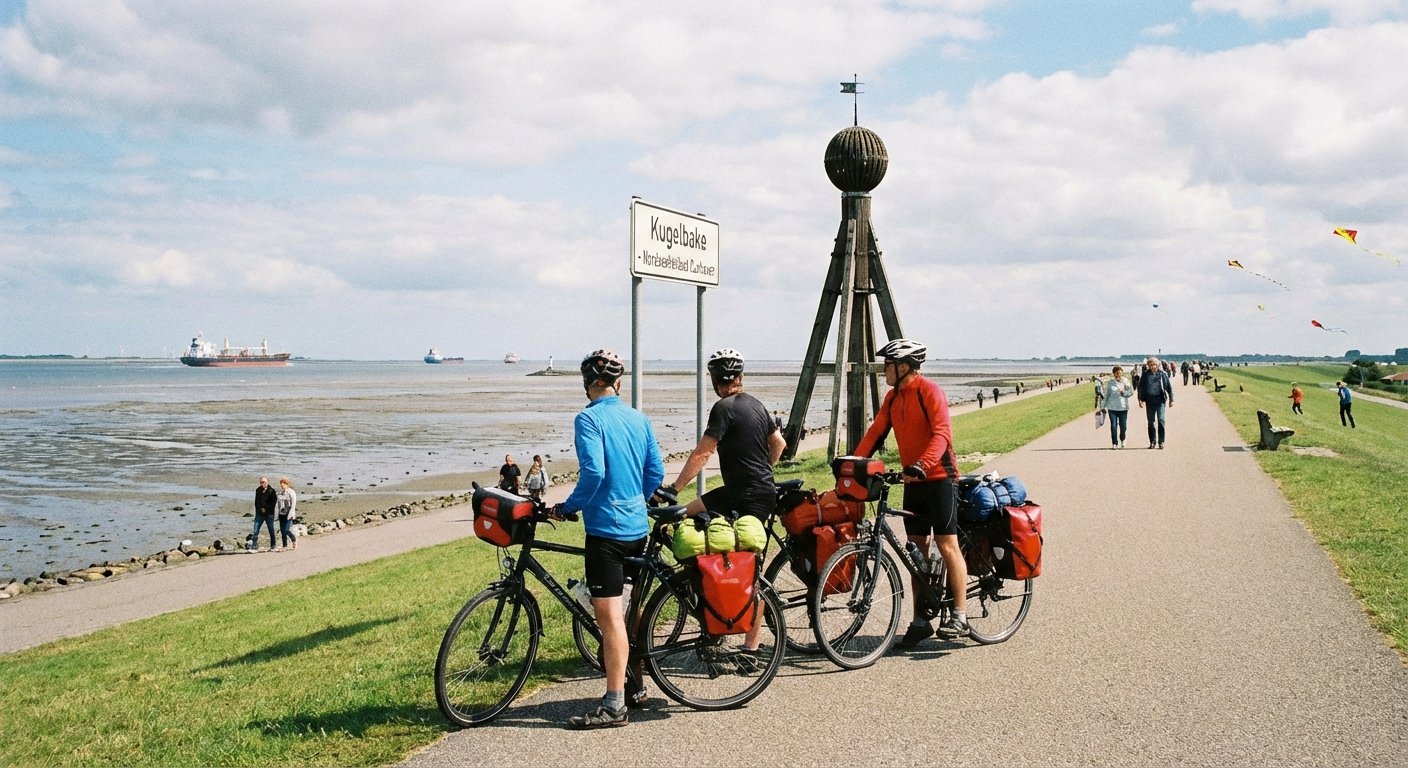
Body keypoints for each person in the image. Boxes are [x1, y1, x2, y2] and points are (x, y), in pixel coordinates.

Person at [554, 349, 665, 729]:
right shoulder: (638, 418)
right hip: (638, 529)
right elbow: (655, 473)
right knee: (628, 613)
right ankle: (635, 686)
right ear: (618, 383)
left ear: (587, 385)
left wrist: (569, 506)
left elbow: (594, 473)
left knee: (611, 620)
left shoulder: (587, 420)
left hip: (606, 534)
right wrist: (636, 497)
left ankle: (614, 705)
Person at [659, 348, 785, 663]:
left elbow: (703, 453)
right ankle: (714, 618)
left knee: (749, 568)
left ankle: (750, 649)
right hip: (746, 491)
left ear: (715, 381)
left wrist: (674, 488)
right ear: (740, 378)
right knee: (688, 517)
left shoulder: (723, 408)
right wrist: (764, 472)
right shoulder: (756, 404)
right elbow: (779, 443)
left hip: (746, 495)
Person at [852, 338, 968, 644]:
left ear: (903, 367)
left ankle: (960, 615)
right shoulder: (892, 398)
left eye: (887, 366)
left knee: (946, 544)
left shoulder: (930, 391)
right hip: (913, 482)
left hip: (941, 478)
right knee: (915, 550)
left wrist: (923, 463)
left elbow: (942, 433)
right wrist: (852, 463)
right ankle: (920, 621)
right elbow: (876, 432)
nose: (884, 372)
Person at [1137, 356, 1174, 449]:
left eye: (1154, 364)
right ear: (1148, 365)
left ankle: (1161, 442)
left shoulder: (1163, 374)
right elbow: (1140, 387)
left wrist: (1171, 399)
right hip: (1149, 400)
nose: (1152, 366)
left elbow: (1169, 387)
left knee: (1161, 420)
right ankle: (1152, 442)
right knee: (1150, 422)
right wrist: (1140, 400)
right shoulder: (1145, 375)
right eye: (1150, 364)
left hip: (1160, 400)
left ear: (1157, 364)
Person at [1101, 365, 1134, 448]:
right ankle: (1114, 443)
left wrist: (1125, 394)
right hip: (1112, 408)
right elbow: (1106, 395)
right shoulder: (1110, 383)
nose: (1118, 374)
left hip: (1123, 407)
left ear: (1122, 373)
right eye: (1116, 373)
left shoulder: (1126, 382)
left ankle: (1123, 439)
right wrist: (1102, 407)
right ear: (1114, 374)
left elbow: (1131, 392)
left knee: (1123, 426)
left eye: (1119, 373)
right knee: (1113, 426)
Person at [251, 476, 278, 551]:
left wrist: (265, 509)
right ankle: (254, 546)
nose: (263, 484)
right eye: (262, 482)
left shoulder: (272, 491)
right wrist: (258, 511)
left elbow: (273, 503)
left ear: (268, 482)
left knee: (271, 530)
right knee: (255, 530)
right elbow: (256, 502)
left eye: (265, 482)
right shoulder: (258, 490)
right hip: (259, 514)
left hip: (269, 514)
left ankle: (273, 546)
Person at [275, 477, 298, 551]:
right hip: (281, 514)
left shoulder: (291, 492)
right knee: (282, 531)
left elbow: (293, 504)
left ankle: (293, 539)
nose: (282, 484)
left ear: (287, 484)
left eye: (283, 483)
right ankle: (284, 546)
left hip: (289, 514)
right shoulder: (280, 493)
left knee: (286, 530)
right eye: (281, 483)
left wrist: (291, 514)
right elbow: (278, 503)